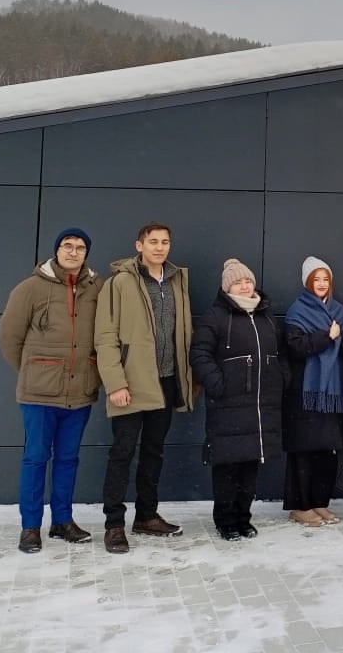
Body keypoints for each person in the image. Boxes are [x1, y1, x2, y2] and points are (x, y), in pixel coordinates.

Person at [0, 227, 103, 554]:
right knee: (35, 458)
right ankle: (30, 527)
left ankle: (62, 521)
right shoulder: (30, 288)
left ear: (86, 254)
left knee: (68, 459)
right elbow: (9, 338)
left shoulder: (97, 288)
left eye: (80, 247)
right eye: (67, 245)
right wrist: (36, 372)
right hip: (39, 395)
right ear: (57, 250)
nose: (73, 251)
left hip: (80, 392)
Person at [95, 223, 194, 554]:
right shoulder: (120, 283)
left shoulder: (176, 281)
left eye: (165, 242)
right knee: (122, 452)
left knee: (154, 451)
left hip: (165, 381)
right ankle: (114, 524)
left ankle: (147, 516)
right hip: (132, 382)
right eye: (153, 241)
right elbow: (105, 336)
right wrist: (115, 383)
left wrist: (187, 378)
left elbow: (183, 332)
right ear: (139, 245)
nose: (159, 247)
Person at [190, 258, 282, 541]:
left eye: (248, 281)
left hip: (260, 406)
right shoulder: (215, 316)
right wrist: (218, 384)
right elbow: (200, 354)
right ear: (227, 287)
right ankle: (226, 521)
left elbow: (281, 354)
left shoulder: (265, 315)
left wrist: (281, 380)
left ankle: (244, 518)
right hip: (228, 406)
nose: (244, 286)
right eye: (238, 282)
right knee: (228, 467)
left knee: (250, 467)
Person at [282, 256, 343, 527]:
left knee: (327, 451)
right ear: (307, 283)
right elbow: (297, 347)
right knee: (303, 452)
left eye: (326, 279)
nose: (322, 284)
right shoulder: (297, 312)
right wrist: (328, 337)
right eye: (316, 279)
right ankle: (301, 506)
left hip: (334, 395)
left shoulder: (339, 311)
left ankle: (320, 501)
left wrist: (339, 338)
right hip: (306, 393)